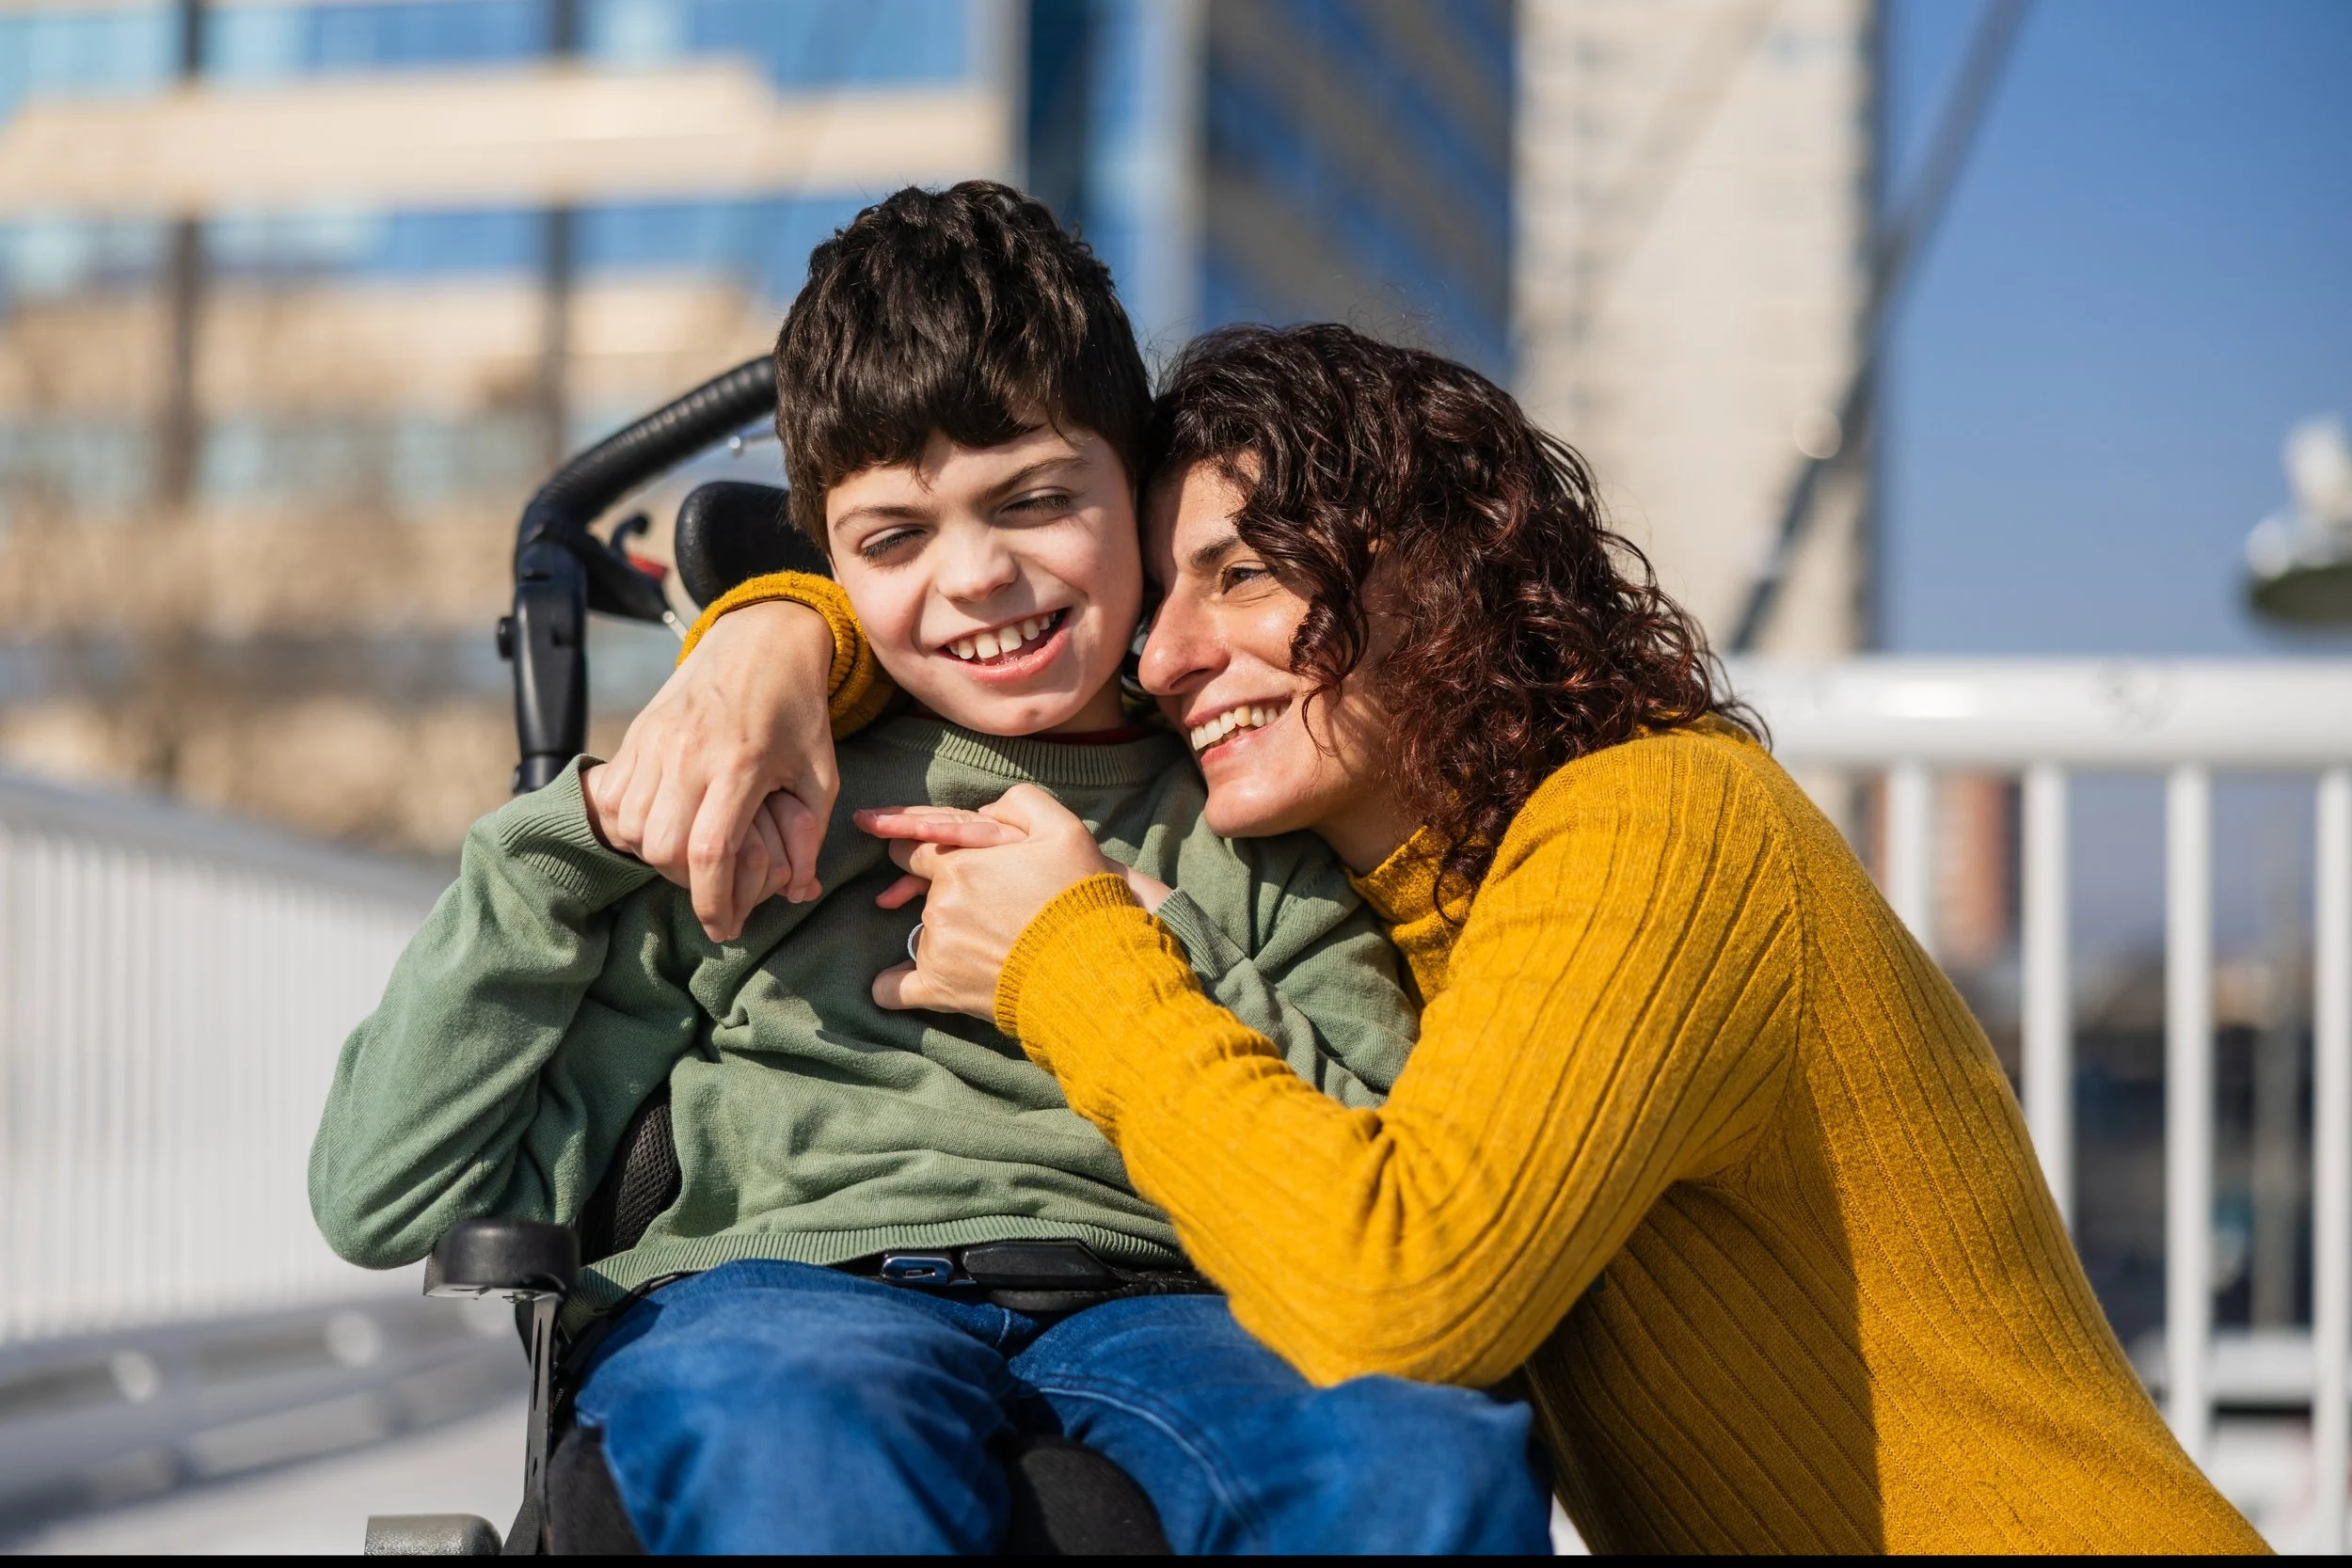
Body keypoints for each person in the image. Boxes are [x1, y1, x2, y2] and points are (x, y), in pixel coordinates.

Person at [626, 323, 2268, 1553]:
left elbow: (1402, 1296)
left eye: (1244, 576)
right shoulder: (1400, 916)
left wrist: (1071, 957)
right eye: (1163, 593)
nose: (1170, 650)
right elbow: (979, 623)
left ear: (1429, 570)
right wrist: (776, 633)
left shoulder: (1657, 828)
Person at [308, 192, 1551, 1555]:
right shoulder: (772, 792)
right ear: (829, 554)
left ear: (1134, 493)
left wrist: (1146, 942)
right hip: (788, 1285)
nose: (976, 575)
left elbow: (1373, 1153)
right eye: (896, 537)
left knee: (1413, 1461)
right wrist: (580, 833)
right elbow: (387, 1196)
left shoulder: (1249, 803)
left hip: (1184, 1297)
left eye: (1035, 500)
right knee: (787, 1445)